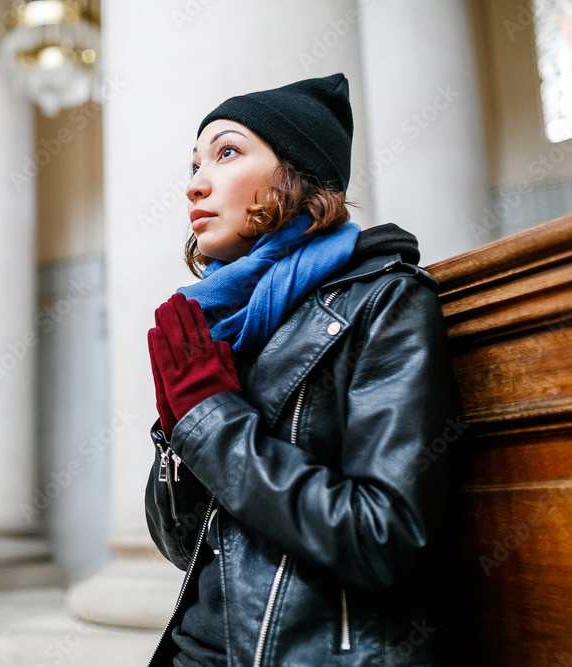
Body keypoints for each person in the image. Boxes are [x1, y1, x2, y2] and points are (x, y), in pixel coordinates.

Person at [144, 73, 465, 666]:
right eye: (193, 164)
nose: (195, 184)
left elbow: (384, 540)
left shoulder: (383, 302)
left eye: (227, 152)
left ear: (295, 175)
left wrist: (209, 419)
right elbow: (185, 545)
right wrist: (177, 429)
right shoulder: (224, 323)